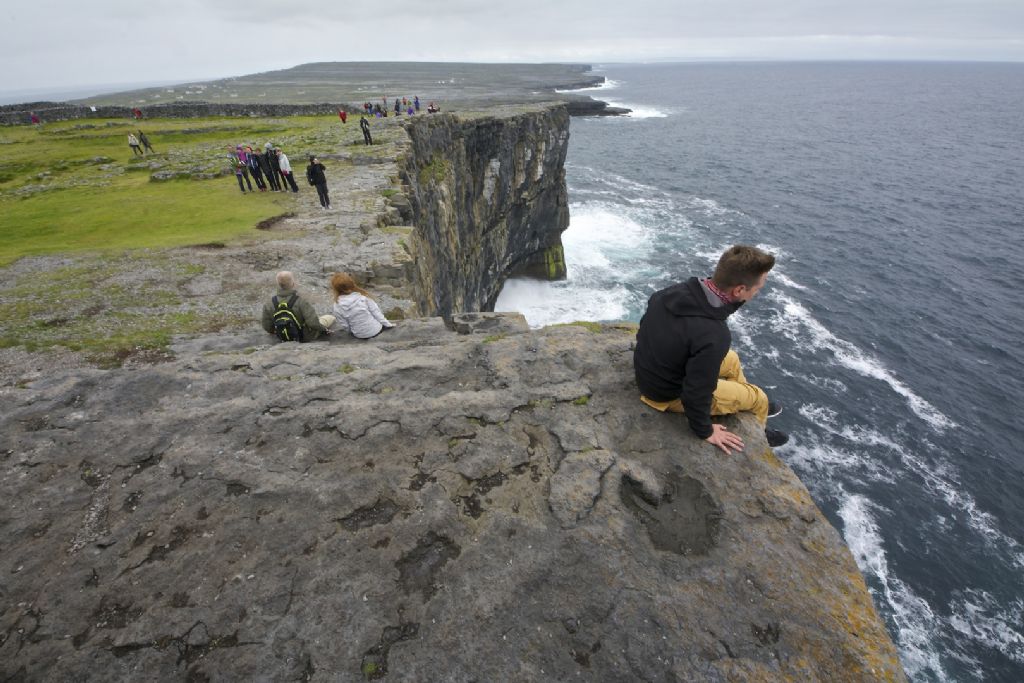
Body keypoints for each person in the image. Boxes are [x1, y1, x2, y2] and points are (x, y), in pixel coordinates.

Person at [633, 245, 788, 454]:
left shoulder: (674, 292)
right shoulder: (713, 334)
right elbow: (695, 392)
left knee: (731, 359)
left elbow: (644, 330)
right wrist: (705, 430)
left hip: (650, 371)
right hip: (665, 394)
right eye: (757, 289)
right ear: (739, 290)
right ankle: (759, 432)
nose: (757, 293)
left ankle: (740, 406)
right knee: (759, 398)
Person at [261, 271, 329, 342]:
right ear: (293, 284)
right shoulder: (301, 301)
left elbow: (266, 326)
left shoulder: (269, 304)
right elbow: (312, 323)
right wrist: (324, 329)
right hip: (304, 337)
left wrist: (280, 331)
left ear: (278, 284)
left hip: (282, 336)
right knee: (328, 318)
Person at [329, 272, 395, 339]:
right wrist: (389, 325)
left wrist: (352, 332)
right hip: (375, 331)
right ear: (352, 284)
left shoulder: (337, 305)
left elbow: (345, 325)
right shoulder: (363, 297)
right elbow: (377, 313)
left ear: (336, 289)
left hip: (359, 335)